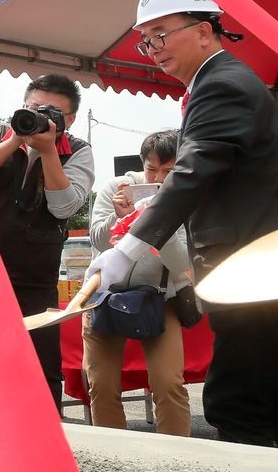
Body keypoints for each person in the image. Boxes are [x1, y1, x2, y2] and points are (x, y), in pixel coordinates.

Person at [89, 0, 278, 451]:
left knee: (236, 406)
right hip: (272, 270)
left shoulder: (221, 85)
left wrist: (130, 246)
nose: (153, 48)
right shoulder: (221, 82)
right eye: (146, 39)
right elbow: (212, 174)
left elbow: (194, 171)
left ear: (204, 30)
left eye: (161, 33)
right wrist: (151, 210)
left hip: (259, 273)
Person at [0, 72, 94, 411]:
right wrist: (14, 141)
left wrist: (49, 151)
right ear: (23, 106)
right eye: (35, 109)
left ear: (70, 120)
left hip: (37, 278)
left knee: (39, 367)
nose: (41, 118)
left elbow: (64, 207)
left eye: (53, 113)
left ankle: (46, 432)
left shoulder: (79, 151)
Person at [83, 130, 192, 436]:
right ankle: (112, 456)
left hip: (160, 298)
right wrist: (120, 219)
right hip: (104, 297)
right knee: (101, 385)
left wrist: (158, 222)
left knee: (169, 383)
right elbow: (97, 240)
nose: (159, 178)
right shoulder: (116, 188)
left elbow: (182, 265)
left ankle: (178, 457)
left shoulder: (186, 198)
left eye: (169, 171)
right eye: (152, 169)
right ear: (142, 164)